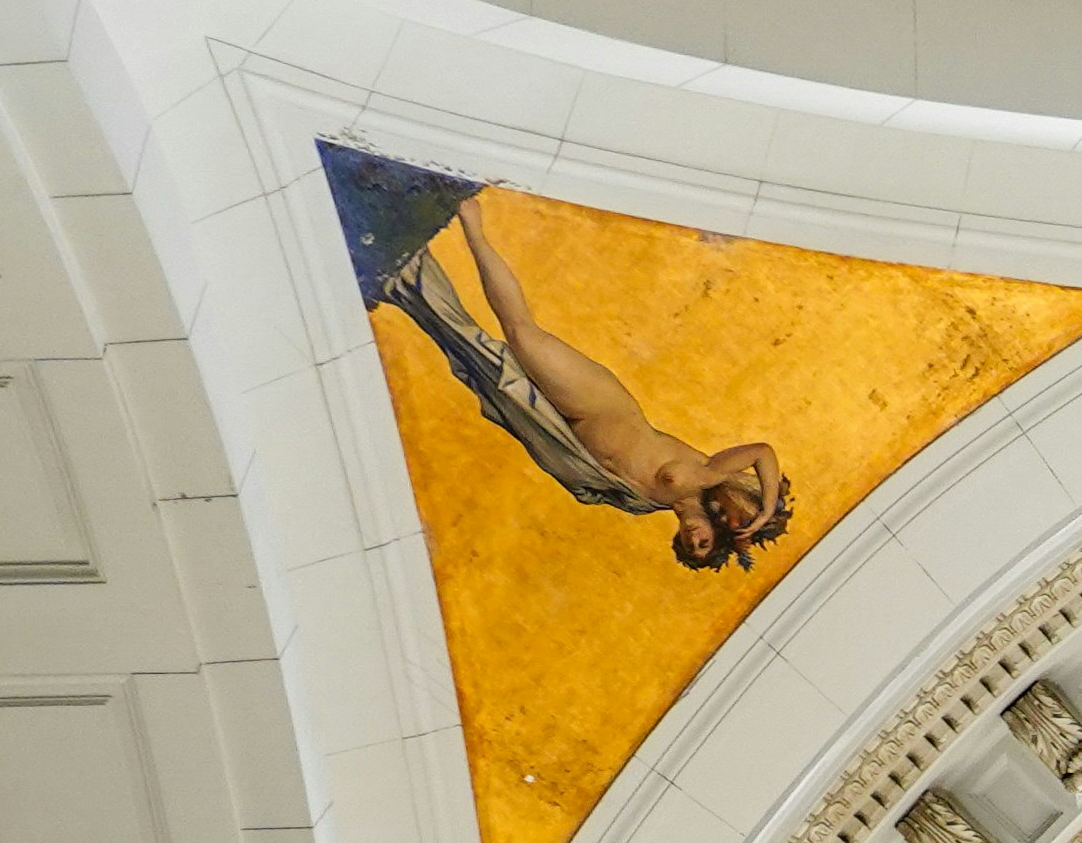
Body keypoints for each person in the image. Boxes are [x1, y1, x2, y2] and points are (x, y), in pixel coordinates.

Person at [323, 144, 789, 572]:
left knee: (476, 353)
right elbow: (764, 453)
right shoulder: (705, 474)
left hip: (557, 423)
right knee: (523, 334)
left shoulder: (644, 503)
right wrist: (766, 507)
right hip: (599, 404)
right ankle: (472, 224)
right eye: (715, 533)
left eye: (697, 544)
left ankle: (410, 277)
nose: (710, 529)